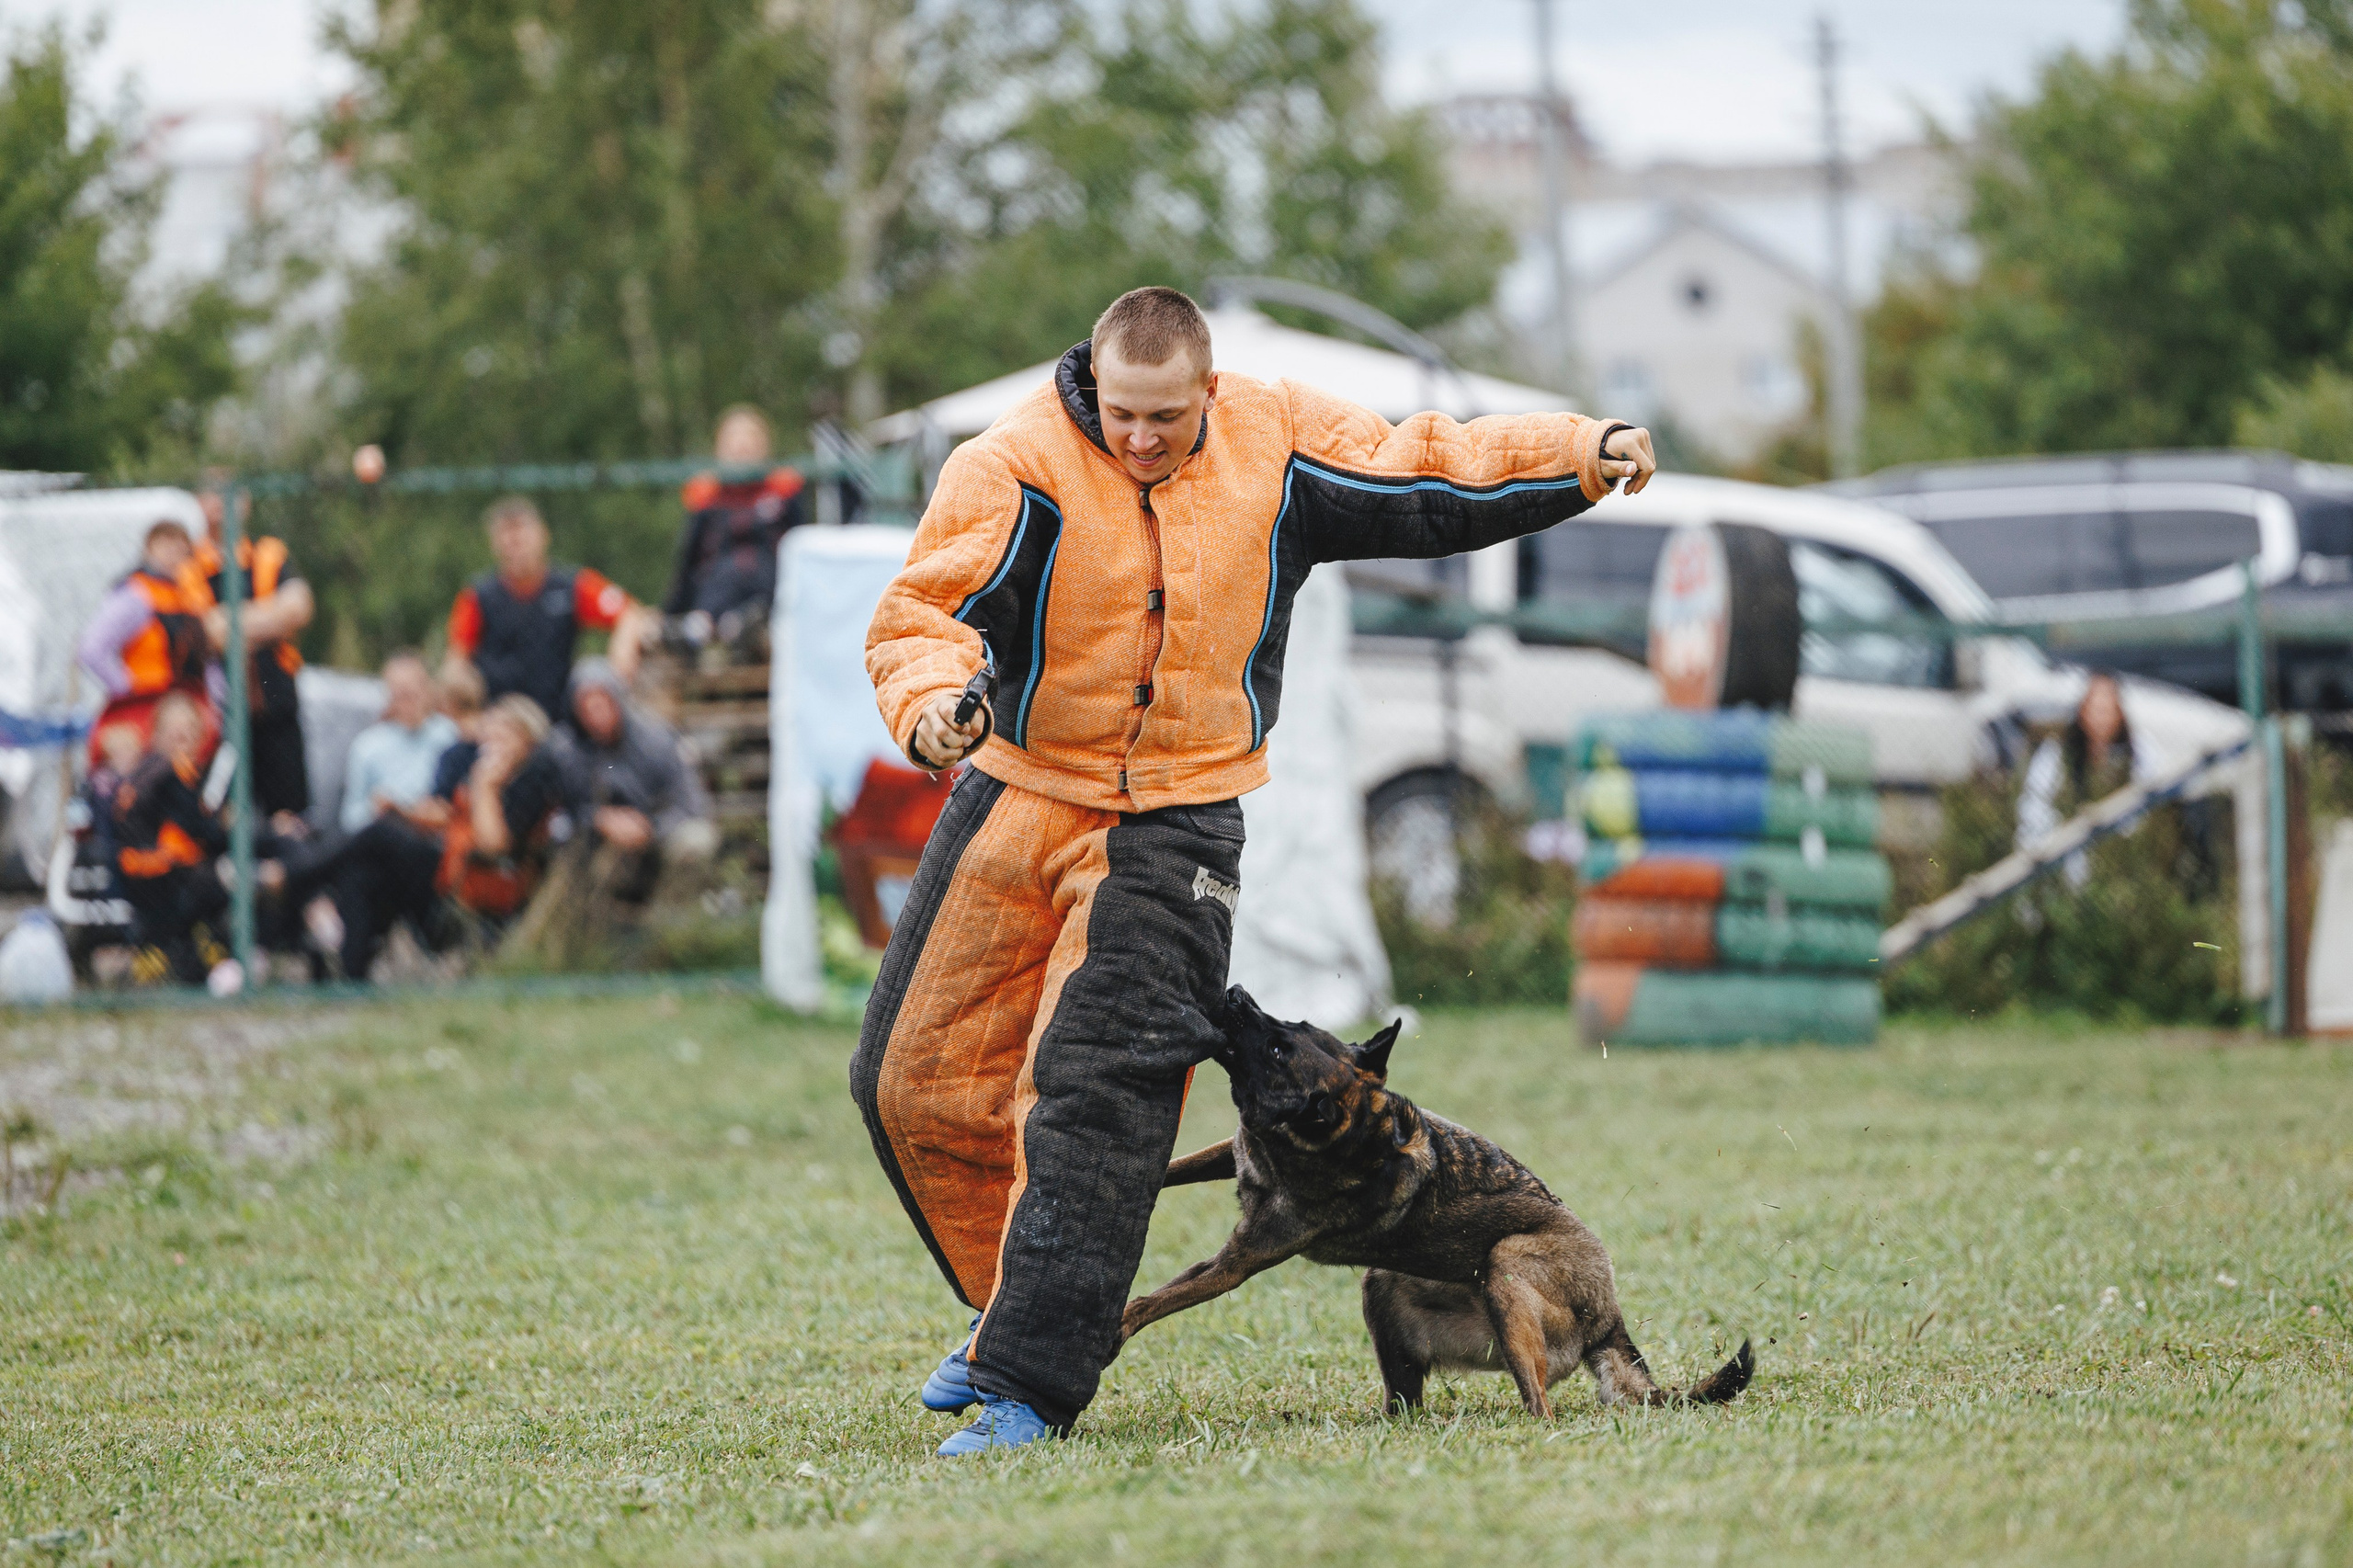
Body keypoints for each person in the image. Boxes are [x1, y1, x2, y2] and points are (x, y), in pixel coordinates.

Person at [851, 286, 1655, 1454]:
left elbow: (1421, 466)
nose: (1139, 437)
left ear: (1208, 393)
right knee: (907, 1082)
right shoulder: (1012, 462)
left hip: (1179, 816)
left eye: (1165, 417)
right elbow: (924, 608)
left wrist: (1579, 452)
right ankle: (1013, 1313)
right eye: (1120, 414)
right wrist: (928, 707)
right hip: (1019, 787)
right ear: (1090, 386)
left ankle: (1030, 1375)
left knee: (1098, 1082)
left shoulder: (1274, 442)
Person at [324, 694, 567, 981]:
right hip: (449, 870)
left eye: (504, 735)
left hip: (471, 893)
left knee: (379, 835)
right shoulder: (479, 771)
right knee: (366, 873)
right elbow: (448, 819)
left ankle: (296, 875)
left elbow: (493, 847)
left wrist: (485, 786)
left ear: (528, 741)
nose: (493, 745)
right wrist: (403, 810)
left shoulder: (528, 780)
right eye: (491, 735)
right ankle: (352, 983)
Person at [445, 496, 648, 722]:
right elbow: (456, 661)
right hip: (499, 722)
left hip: (559, 720)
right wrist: (466, 711)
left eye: (522, 534)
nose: (516, 544)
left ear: (544, 536)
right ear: (494, 544)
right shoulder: (478, 596)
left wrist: (619, 663)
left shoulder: (572, 586)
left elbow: (632, 614)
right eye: (507, 537)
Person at [194, 480, 316, 822]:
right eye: (212, 494)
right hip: (220, 713)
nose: (221, 504)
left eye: (229, 495)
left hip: (275, 703)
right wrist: (270, 620)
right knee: (224, 814)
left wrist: (233, 625)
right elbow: (209, 633)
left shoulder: (268, 553)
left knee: (288, 815)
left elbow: (299, 608)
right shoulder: (192, 563)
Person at [109, 693, 231, 987]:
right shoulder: (169, 769)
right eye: (176, 734)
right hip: (149, 871)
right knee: (211, 881)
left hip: (147, 869)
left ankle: (188, 961)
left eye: (190, 732)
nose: (184, 740)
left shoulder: (157, 770)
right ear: (158, 736)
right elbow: (202, 828)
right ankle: (190, 961)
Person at [76, 519, 220, 766]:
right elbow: (91, 649)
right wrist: (126, 687)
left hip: (188, 705)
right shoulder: (135, 596)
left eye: (180, 549)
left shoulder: (192, 597)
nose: (173, 555)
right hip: (146, 707)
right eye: (165, 547)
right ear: (149, 550)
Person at [663, 404, 807, 642]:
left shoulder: (783, 493)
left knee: (756, 576)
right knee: (724, 575)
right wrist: (668, 613)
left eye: (750, 439)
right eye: (733, 440)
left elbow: (801, 549)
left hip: (769, 587)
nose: (741, 447)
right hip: (716, 588)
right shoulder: (707, 498)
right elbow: (688, 561)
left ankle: (745, 627)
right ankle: (704, 628)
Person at [339, 651, 460, 832]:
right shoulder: (367, 745)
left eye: (412, 693)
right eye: (400, 694)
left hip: (432, 834)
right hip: (383, 835)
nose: (407, 702)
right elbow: (349, 819)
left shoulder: (449, 735)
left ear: (428, 690)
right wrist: (375, 808)